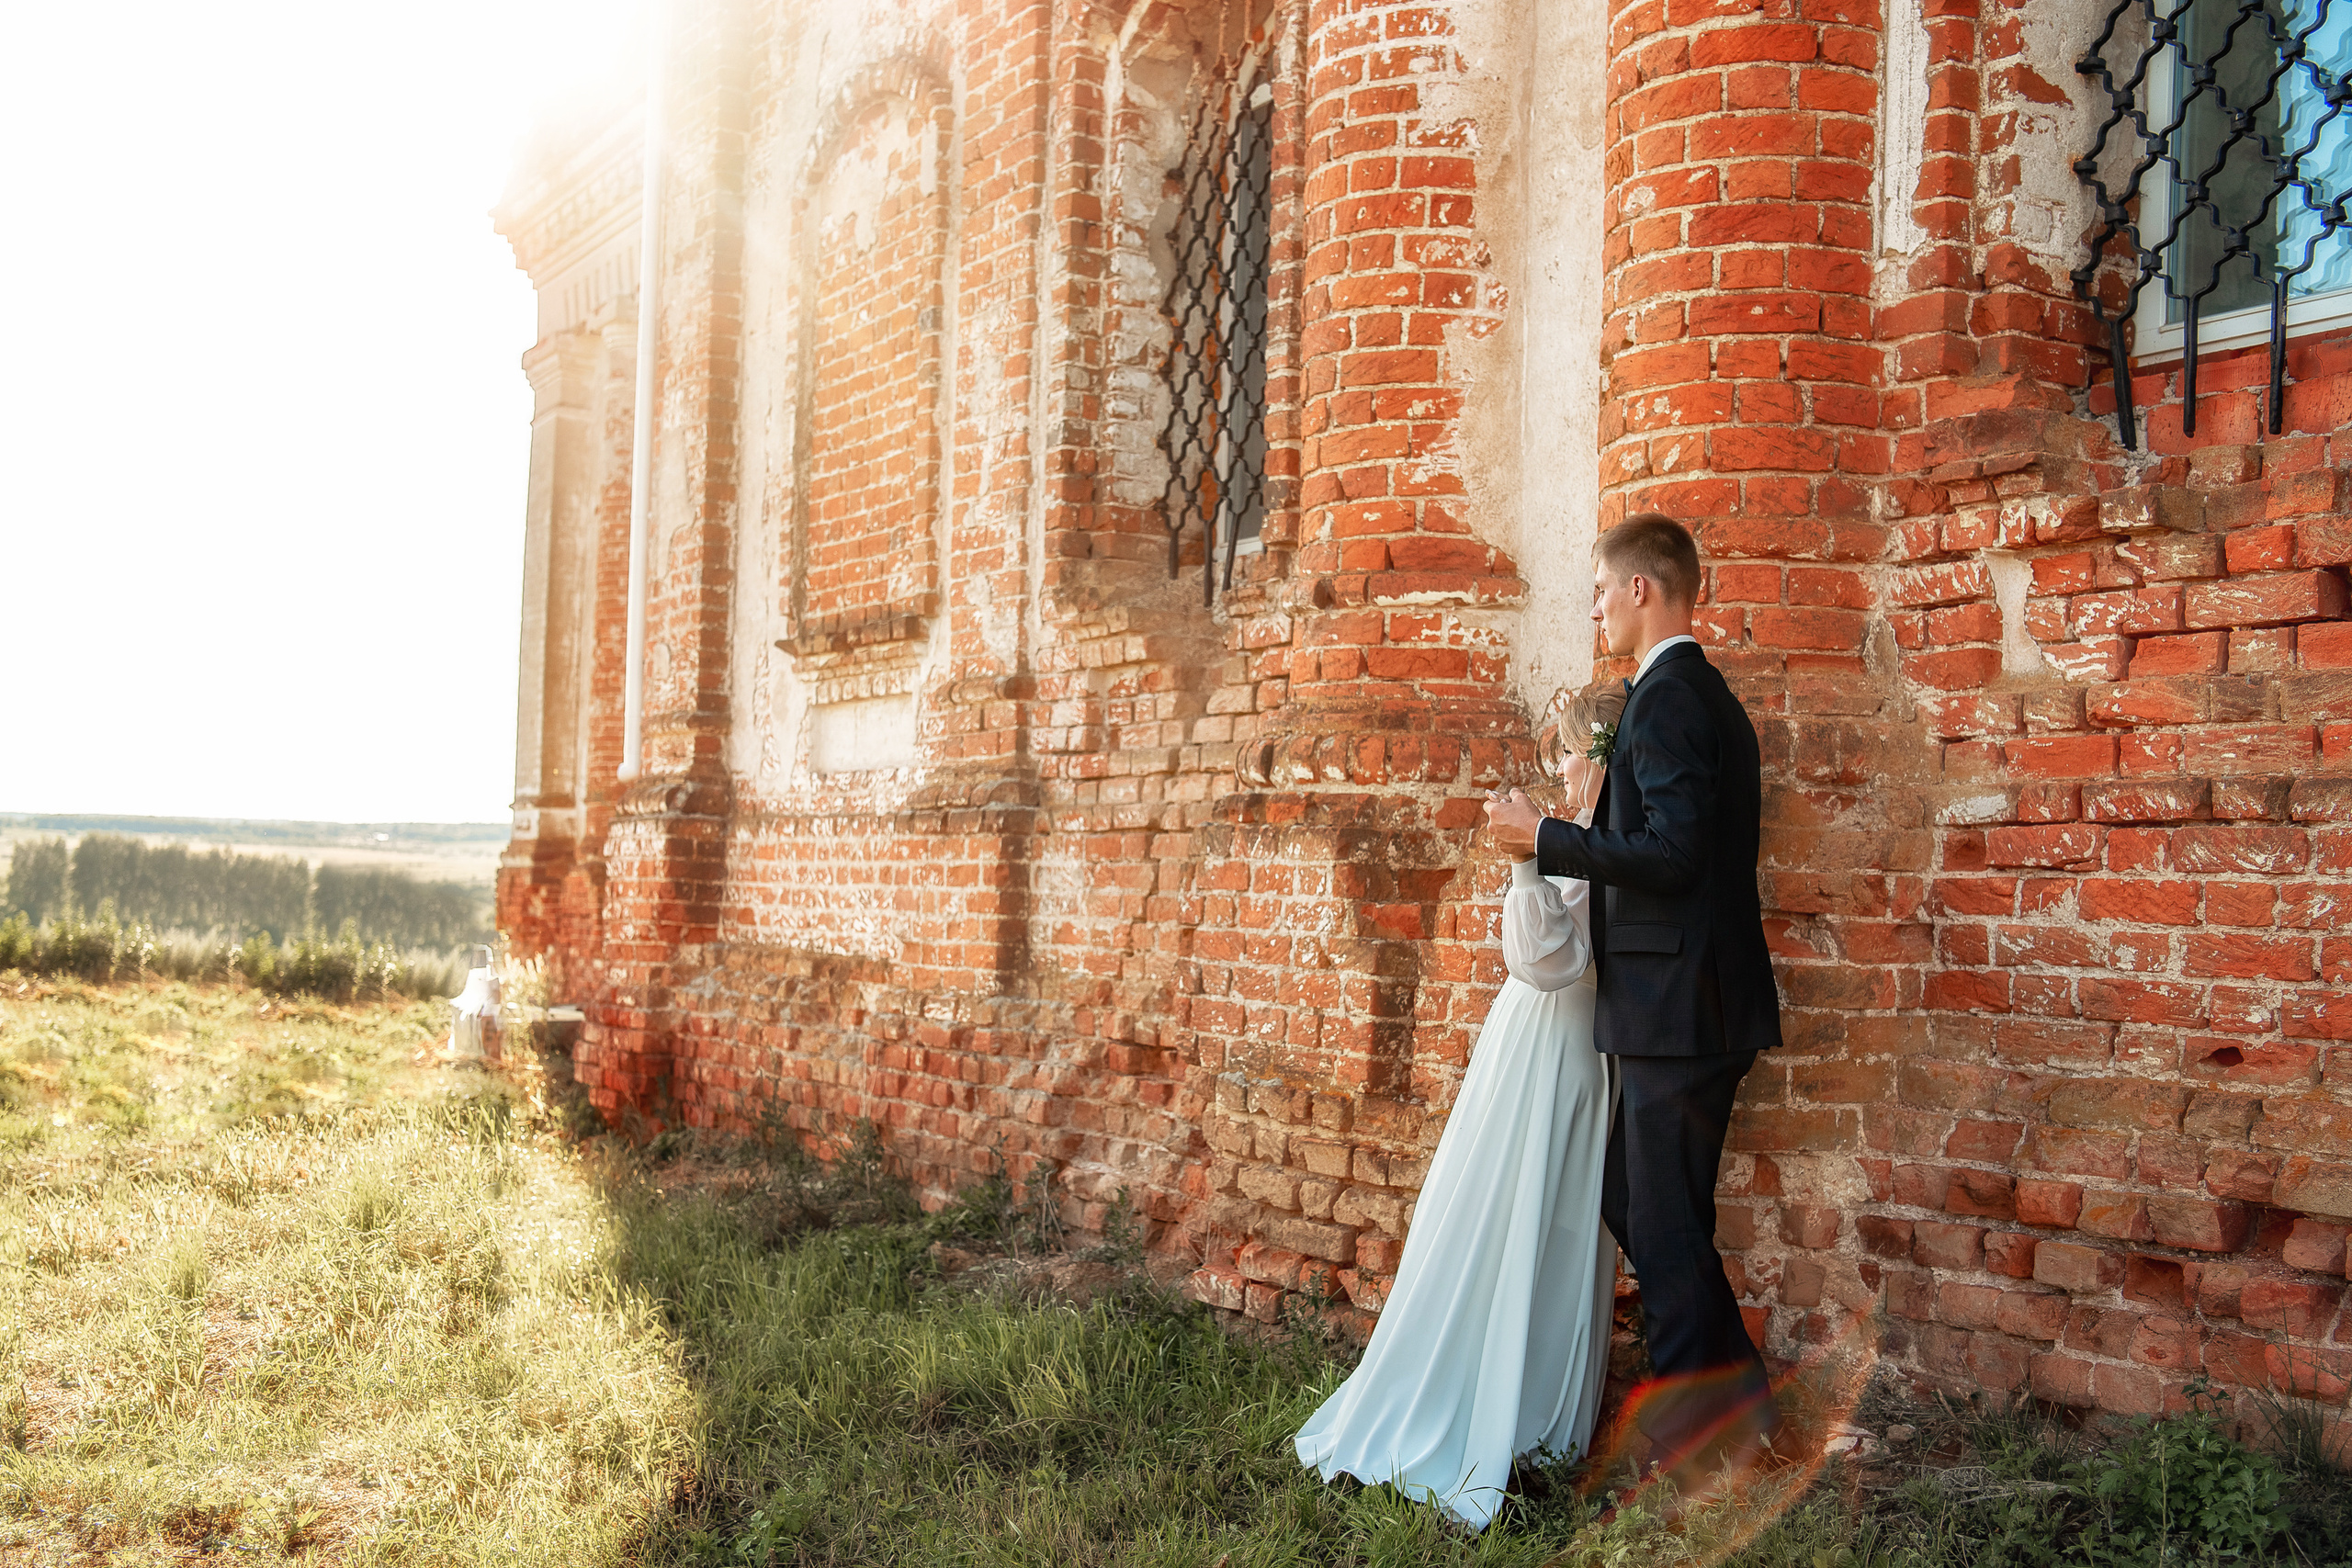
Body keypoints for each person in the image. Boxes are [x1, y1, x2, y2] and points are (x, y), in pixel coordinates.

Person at [1484, 512, 1785, 1493]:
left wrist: (1545, 839)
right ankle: (1735, 1407)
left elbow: (1673, 854)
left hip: (1678, 1010)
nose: (1596, 610)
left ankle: (1696, 1440)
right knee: (1653, 1210)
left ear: (1642, 589)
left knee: (1655, 1222)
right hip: (1687, 1003)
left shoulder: (1666, 701)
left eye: (1601, 592)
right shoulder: (1699, 698)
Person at [1294, 681, 1626, 1533]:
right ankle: (1502, 1405)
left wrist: (1525, 857)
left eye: (1566, 753)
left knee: (1533, 1218)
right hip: (1541, 1044)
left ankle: (1516, 1419)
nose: (1559, 772)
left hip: (1558, 1039)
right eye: (1555, 755)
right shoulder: (1598, 838)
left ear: (1596, 755)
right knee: (1498, 1214)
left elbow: (1546, 961)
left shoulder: (1598, 840)